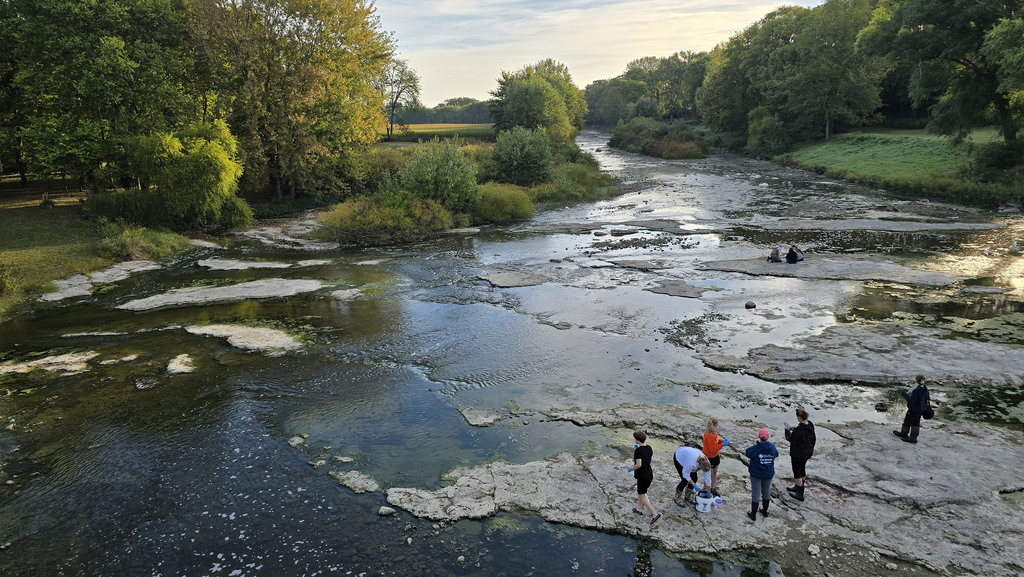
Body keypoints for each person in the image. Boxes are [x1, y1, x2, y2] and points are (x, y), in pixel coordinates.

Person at [745, 428, 779, 520]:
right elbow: (776, 454)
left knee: (756, 493)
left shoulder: (755, 448)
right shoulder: (772, 447)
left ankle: (753, 514)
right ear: (768, 437)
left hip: (756, 474)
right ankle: (764, 511)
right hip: (768, 473)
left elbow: (747, 452)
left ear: (759, 437)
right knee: (766, 492)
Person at [630, 430, 661, 525]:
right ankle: (639, 509)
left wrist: (631, 468)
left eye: (635, 438)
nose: (634, 439)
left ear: (638, 440)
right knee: (641, 493)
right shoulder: (649, 448)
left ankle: (655, 514)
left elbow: (638, 464)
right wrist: (638, 448)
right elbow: (646, 457)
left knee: (641, 496)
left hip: (642, 476)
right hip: (649, 474)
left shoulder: (638, 451)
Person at [784, 408, 816, 501]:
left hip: (798, 453)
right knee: (802, 469)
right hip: (807, 452)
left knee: (796, 471)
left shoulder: (800, 429)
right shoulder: (810, 424)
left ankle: (800, 494)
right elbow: (811, 438)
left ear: (799, 417)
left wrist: (787, 431)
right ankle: (798, 486)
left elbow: (791, 439)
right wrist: (795, 429)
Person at [894, 374, 930, 444]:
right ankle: (913, 437)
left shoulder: (916, 391)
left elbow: (911, 401)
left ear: (916, 380)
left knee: (907, 421)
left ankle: (904, 434)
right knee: (916, 422)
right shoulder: (925, 389)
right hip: (920, 409)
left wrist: (904, 394)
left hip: (914, 409)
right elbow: (927, 399)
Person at [702, 417, 729, 497]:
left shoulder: (713, 432)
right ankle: (707, 488)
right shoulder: (709, 434)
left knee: (714, 472)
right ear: (716, 424)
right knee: (708, 473)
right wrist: (722, 445)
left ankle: (712, 488)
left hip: (715, 456)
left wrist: (721, 441)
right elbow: (712, 449)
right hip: (710, 457)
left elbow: (715, 441)